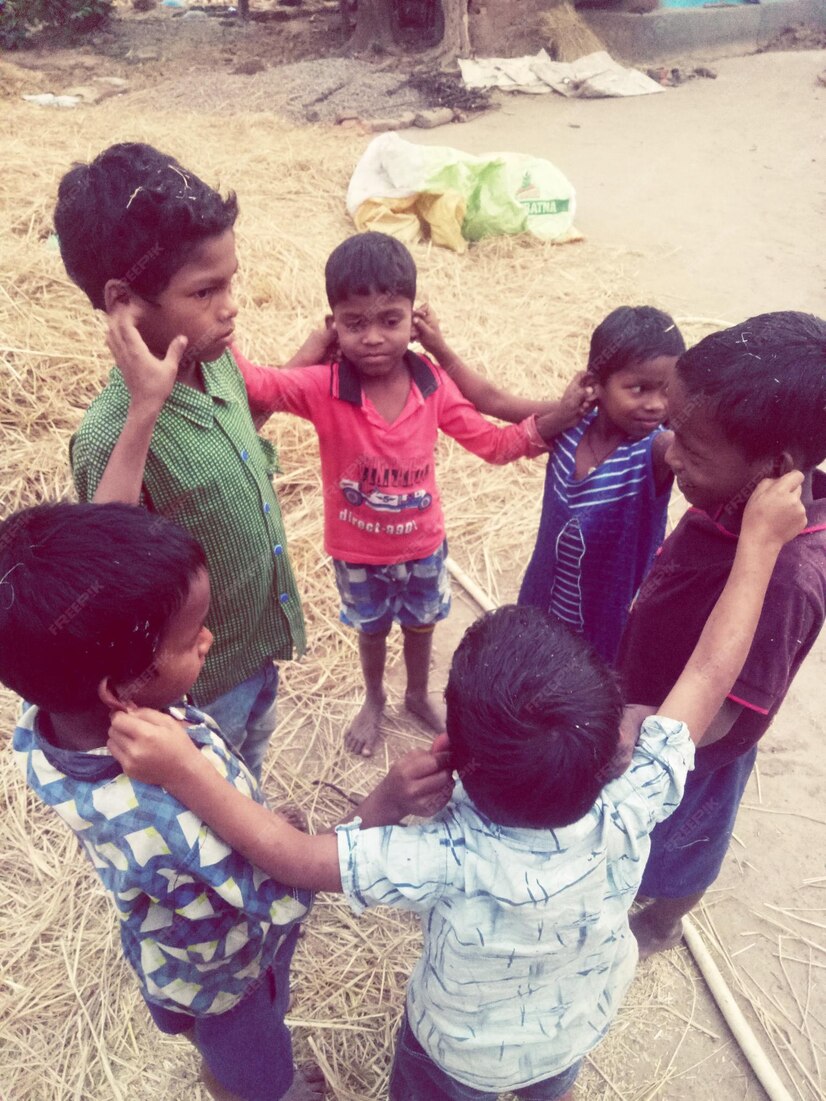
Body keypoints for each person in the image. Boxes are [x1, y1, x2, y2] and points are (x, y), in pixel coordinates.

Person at [107, 474, 805, 1101]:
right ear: (612, 742)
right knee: (551, 1083)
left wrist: (187, 768)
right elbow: (708, 674)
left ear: (455, 760)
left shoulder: (446, 855)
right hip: (574, 1026)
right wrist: (759, 548)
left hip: (457, 1058)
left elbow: (294, 860)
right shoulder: (636, 798)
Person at [1, 501, 452, 1101]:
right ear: (120, 691)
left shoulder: (45, 729)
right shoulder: (165, 808)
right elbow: (289, 886)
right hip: (227, 978)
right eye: (190, 638)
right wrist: (384, 804)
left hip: (167, 953)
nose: (208, 640)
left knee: (208, 1043)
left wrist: (240, 814)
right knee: (253, 1072)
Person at [230, 232, 591, 756]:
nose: (374, 338)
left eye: (390, 320)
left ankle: (417, 694)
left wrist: (552, 423)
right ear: (334, 325)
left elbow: (493, 444)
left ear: (414, 321)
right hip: (356, 552)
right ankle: (375, 697)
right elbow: (257, 385)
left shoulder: (432, 385)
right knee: (372, 629)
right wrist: (241, 326)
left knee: (422, 624)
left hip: (423, 546)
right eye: (355, 323)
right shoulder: (323, 386)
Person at [60, 142, 328, 779]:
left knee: (251, 764)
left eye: (229, 282)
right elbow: (107, 561)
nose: (230, 305)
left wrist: (315, 352)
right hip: (202, 687)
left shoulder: (216, 361)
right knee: (217, 789)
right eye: (205, 290)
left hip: (258, 646)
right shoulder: (111, 436)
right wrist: (144, 410)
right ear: (123, 301)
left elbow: (233, 433)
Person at [616, 311, 826, 957]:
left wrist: (634, 726)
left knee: (681, 842)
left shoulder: (787, 574)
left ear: (776, 466)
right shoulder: (734, 495)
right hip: (651, 690)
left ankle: (662, 922)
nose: (671, 451)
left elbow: (724, 716)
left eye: (692, 446)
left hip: (692, 747)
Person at [417, 304, 685, 663]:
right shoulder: (568, 423)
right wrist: (437, 346)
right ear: (595, 384)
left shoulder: (655, 451)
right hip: (542, 603)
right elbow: (491, 400)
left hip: (606, 630)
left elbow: (702, 445)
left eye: (667, 391)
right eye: (639, 389)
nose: (655, 405)